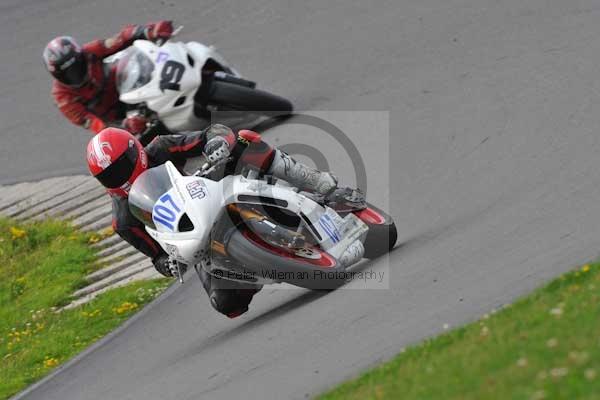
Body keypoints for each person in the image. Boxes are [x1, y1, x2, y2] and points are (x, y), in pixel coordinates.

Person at [86, 124, 359, 318]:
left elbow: (211, 133)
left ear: (136, 151)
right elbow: (156, 256)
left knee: (243, 143)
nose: (120, 176)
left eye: (122, 165)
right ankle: (267, 263)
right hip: (198, 239)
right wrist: (168, 265)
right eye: (110, 175)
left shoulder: (160, 147)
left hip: (213, 187)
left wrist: (216, 143)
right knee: (228, 305)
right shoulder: (123, 220)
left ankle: (320, 185)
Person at [43, 21, 174, 134]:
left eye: (77, 66)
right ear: (57, 75)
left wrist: (150, 31)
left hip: (130, 88)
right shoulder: (63, 98)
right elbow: (95, 124)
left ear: (81, 57)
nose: (75, 74)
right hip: (118, 118)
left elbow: (121, 39)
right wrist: (125, 126)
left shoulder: (90, 51)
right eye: (68, 73)